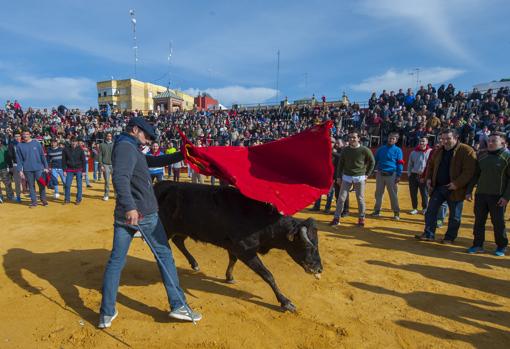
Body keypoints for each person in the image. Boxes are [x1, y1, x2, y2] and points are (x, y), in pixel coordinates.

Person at [99, 117, 201, 329]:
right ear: (135, 129)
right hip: (142, 214)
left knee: (116, 261)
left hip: (128, 214)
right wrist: (130, 207)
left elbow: (153, 162)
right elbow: (120, 178)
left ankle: (106, 312)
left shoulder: (130, 146)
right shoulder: (127, 147)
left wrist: (182, 155)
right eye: (146, 135)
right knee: (164, 256)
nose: (147, 140)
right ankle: (178, 305)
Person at [415, 129, 476, 243]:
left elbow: (469, 171)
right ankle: (429, 234)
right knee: (430, 211)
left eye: (448, 138)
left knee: (454, 216)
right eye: (442, 139)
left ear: (456, 137)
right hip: (438, 187)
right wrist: (428, 179)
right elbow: (430, 166)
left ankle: (449, 237)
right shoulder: (438, 151)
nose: (445, 141)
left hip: (456, 189)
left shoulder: (467, 150)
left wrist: (456, 184)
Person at [466, 132, 509, 256]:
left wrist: (506, 197)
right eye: (489, 140)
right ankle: (477, 245)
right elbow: (476, 175)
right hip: (481, 195)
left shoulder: (507, 157)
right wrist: (469, 191)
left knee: (498, 222)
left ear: (502, 143)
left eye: (494, 141)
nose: (490, 143)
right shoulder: (482, 156)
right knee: (479, 221)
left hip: (498, 196)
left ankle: (501, 246)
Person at [330, 131, 375, 226]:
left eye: (354, 137)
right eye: (350, 137)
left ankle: (361, 219)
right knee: (341, 198)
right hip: (346, 177)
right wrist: (338, 176)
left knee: (360, 198)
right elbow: (340, 164)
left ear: (359, 138)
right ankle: (336, 218)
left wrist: (367, 174)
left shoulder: (364, 150)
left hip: (360, 177)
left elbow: (372, 162)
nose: (352, 139)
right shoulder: (345, 150)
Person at [312, 138, 349, 215]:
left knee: (331, 192)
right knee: (319, 191)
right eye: (330, 142)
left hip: (334, 175)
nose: (332, 143)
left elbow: (340, 159)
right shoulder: (324, 150)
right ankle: (317, 206)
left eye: (333, 142)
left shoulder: (340, 151)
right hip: (323, 174)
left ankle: (328, 208)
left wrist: (331, 152)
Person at [372, 132, 404, 220]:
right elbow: (375, 160)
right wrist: (372, 171)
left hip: (392, 175)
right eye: (390, 138)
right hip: (380, 173)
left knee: (393, 194)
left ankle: (396, 212)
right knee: (378, 193)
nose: (391, 140)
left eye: (393, 139)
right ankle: (377, 210)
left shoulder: (398, 150)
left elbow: (400, 163)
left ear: (396, 141)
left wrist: (398, 175)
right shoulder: (381, 149)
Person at [16, 129, 49, 208]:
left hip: (39, 168)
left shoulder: (36, 143)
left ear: (30, 134)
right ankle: (34, 202)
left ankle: (43, 199)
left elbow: (42, 155)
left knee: (41, 184)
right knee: (31, 186)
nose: (25, 136)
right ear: (22, 135)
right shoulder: (19, 145)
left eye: (27, 134)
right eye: (24, 134)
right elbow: (19, 159)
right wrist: (20, 170)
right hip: (27, 169)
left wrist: (46, 167)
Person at [407, 136, 432, 214]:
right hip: (414, 175)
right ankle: (414, 208)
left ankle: (425, 208)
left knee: (424, 193)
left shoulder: (431, 152)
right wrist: (409, 174)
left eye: (423, 141)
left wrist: (429, 176)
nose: (422, 143)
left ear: (427, 142)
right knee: (413, 192)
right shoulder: (413, 152)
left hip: (424, 176)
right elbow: (410, 164)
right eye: (420, 141)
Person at [62, 137, 86, 205]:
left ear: (77, 142)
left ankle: (78, 199)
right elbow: (63, 161)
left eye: (75, 141)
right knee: (67, 185)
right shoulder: (65, 149)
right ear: (70, 141)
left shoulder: (80, 149)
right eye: (72, 141)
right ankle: (67, 199)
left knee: (79, 185)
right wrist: (64, 170)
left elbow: (83, 161)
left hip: (79, 169)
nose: (73, 142)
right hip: (69, 169)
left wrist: (84, 171)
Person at [7, 132, 22, 202]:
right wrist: (10, 166)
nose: (17, 137)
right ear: (13, 137)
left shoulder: (24, 143)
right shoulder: (12, 144)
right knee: (17, 182)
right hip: (16, 164)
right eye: (16, 136)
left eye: (18, 136)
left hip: (26, 164)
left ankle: (31, 194)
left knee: (29, 180)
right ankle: (18, 196)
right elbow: (9, 155)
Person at [99, 133, 114, 201]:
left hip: (113, 165)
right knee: (107, 181)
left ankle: (116, 194)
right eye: (108, 136)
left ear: (111, 137)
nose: (109, 137)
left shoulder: (114, 144)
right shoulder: (102, 145)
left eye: (110, 136)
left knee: (115, 181)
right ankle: (106, 194)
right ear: (106, 137)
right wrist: (101, 165)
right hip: (105, 165)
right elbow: (100, 155)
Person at [0, 138, 14, 203]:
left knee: (7, 182)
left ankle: (10, 196)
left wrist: (10, 167)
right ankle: (0, 197)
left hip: (3, 168)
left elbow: (9, 158)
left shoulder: (4, 148)